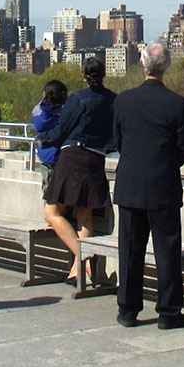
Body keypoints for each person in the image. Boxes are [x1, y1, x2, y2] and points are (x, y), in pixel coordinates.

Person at [111, 41, 184, 329]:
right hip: (164, 187)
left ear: (142, 64)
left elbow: (118, 142)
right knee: (167, 251)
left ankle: (127, 309)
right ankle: (169, 312)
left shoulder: (122, 101)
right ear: (167, 66)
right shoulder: (178, 104)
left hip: (130, 185)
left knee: (130, 250)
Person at [34, 56, 117, 285]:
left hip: (73, 157)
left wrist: (43, 140)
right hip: (96, 158)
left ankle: (85, 261)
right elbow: (117, 133)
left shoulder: (78, 98)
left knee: (51, 213)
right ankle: (77, 272)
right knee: (84, 216)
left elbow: (62, 130)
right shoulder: (114, 100)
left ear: (84, 75)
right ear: (103, 74)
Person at [31, 79, 74, 280]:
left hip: (47, 158)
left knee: (49, 192)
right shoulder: (64, 112)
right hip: (61, 159)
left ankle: (56, 217)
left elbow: (38, 119)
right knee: (56, 202)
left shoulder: (41, 113)